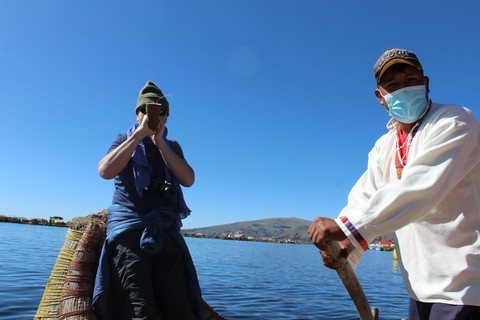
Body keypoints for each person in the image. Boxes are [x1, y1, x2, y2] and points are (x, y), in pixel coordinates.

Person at [308, 48, 480, 320]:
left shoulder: (455, 122)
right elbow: (365, 199)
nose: (405, 89)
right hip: (418, 289)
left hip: (467, 290)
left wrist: (347, 229)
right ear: (381, 97)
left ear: (425, 84)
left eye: (412, 80)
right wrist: (345, 245)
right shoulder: (383, 147)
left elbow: (420, 187)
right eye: (393, 85)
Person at [92, 81, 202, 320]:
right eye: (147, 110)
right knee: (138, 309)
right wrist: (140, 134)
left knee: (180, 307)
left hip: (164, 231)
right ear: (138, 113)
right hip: (130, 232)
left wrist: (160, 142)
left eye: (161, 111)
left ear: (167, 116)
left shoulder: (172, 146)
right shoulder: (123, 139)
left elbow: (189, 179)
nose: (154, 115)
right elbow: (105, 171)